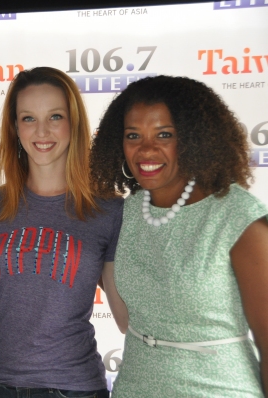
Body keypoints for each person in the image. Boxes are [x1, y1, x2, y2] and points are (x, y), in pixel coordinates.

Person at [90, 75, 268, 397]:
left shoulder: (237, 216)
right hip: (134, 389)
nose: (146, 149)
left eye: (164, 135)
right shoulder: (125, 214)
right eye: (133, 135)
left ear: (194, 139)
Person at [0, 67, 123, 398]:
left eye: (55, 116)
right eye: (28, 118)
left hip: (75, 388)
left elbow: (126, 317)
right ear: (14, 128)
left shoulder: (107, 210)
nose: (42, 131)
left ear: (74, 123)